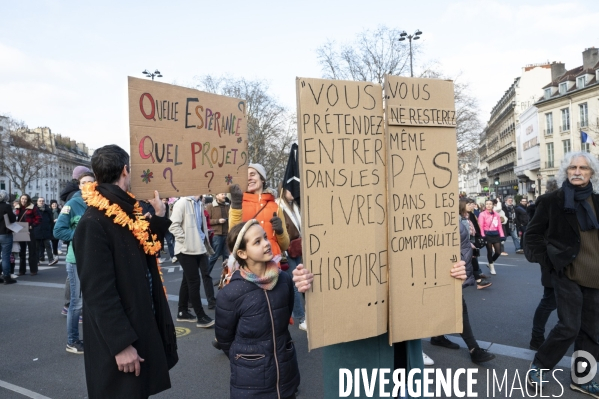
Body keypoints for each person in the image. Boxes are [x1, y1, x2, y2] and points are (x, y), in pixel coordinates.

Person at [73, 145, 177, 399]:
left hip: (138, 326)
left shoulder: (125, 211)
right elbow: (98, 294)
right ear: (125, 170)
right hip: (122, 342)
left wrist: (159, 217)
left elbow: (146, 250)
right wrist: (121, 344)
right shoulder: (94, 222)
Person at [525, 151, 599, 395]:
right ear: (566, 171)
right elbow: (532, 237)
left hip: (596, 277)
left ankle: (582, 377)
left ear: (591, 173)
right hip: (567, 273)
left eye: (583, 168)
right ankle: (540, 365)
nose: (577, 172)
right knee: (569, 326)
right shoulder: (551, 201)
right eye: (572, 168)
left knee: (591, 331)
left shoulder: (597, 201)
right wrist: (550, 262)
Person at [215, 220, 300, 399]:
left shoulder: (283, 280)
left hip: (286, 376)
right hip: (251, 384)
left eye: (265, 237)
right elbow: (225, 339)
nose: (266, 243)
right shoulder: (231, 293)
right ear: (242, 253)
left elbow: (284, 320)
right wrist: (248, 360)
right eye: (257, 242)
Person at [430, 200, 496, 364]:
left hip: (453, 269)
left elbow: (460, 245)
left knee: (452, 306)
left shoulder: (454, 219)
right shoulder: (443, 220)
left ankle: (437, 337)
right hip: (446, 271)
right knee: (458, 307)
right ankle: (474, 349)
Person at [54, 172, 95, 354]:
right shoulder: (72, 204)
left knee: (92, 301)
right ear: (79, 186)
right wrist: (79, 237)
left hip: (95, 260)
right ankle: (72, 341)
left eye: (91, 183)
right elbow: (58, 231)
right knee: (76, 304)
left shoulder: (100, 203)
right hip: (77, 260)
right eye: (84, 182)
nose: (87, 185)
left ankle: (93, 338)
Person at [169, 194, 216, 325]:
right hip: (186, 249)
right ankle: (200, 316)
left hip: (198, 247)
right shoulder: (183, 202)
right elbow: (173, 225)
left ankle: (182, 311)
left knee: (187, 280)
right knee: (194, 281)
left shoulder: (199, 203)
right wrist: (185, 240)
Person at [228, 164, 289, 266]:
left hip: (272, 265)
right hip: (247, 265)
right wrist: (236, 204)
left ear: (262, 179)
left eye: (252, 174)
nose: (249, 178)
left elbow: (285, 245)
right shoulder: (238, 203)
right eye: (245, 176)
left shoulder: (276, 206)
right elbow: (233, 237)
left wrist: (280, 231)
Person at [528, 179, 559, 351]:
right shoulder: (548, 205)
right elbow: (534, 235)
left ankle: (538, 338)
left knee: (552, 302)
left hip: (555, 261)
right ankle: (537, 338)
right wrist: (547, 259)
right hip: (553, 262)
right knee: (549, 301)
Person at [276, 186, 306, 330]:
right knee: (294, 284)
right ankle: (301, 318)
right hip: (286, 249)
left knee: (303, 280)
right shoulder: (278, 206)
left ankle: (306, 314)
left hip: (297, 247)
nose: (293, 193)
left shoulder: (294, 206)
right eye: (290, 190)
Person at [465, 198, 491, 289]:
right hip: (466, 241)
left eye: (473, 204)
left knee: (473, 259)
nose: (473, 206)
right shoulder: (461, 216)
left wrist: (479, 236)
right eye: (470, 204)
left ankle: (478, 278)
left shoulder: (471, 214)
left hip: (471, 239)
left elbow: (475, 226)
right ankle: (478, 279)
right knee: (471, 259)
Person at [15, 194, 41, 276]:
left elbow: (39, 218)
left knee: (32, 251)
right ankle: (22, 271)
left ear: (28, 200)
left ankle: (33, 270)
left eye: (25, 199)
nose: (23, 200)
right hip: (20, 230)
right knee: (22, 252)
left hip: (29, 231)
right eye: (22, 199)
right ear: (20, 199)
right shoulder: (17, 207)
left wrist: (32, 225)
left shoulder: (33, 208)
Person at [206, 193, 230, 278]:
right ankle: (206, 274)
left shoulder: (228, 205)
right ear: (216, 196)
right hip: (216, 234)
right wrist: (218, 221)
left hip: (227, 234)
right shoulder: (210, 206)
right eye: (222, 194)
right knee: (214, 256)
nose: (224, 195)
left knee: (227, 257)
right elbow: (207, 221)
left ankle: (226, 276)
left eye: (225, 194)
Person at [478, 199, 505, 275]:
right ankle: (492, 267)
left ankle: (491, 262)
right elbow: (481, 226)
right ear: (485, 205)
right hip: (487, 234)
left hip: (495, 234)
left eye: (490, 204)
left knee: (498, 252)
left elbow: (499, 225)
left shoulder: (496, 214)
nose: (488, 205)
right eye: (487, 204)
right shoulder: (482, 214)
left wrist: (502, 235)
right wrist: (483, 235)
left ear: (493, 205)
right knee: (489, 251)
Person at [0, 190, 17, 284]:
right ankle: (6, 276)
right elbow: (13, 218)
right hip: (5, 233)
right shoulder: (6, 206)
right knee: (5, 256)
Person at [35, 197, 58, 266]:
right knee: (37, 247)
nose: (41, 202)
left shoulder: (47, 210)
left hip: (46, 231)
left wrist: (50, 229)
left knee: (48, 245)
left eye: (43, 201)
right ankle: (37, 260)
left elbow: (51, 221)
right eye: (40, 201)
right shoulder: (35, 210)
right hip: (37, 230)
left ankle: (51, 259)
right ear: (37, 202)